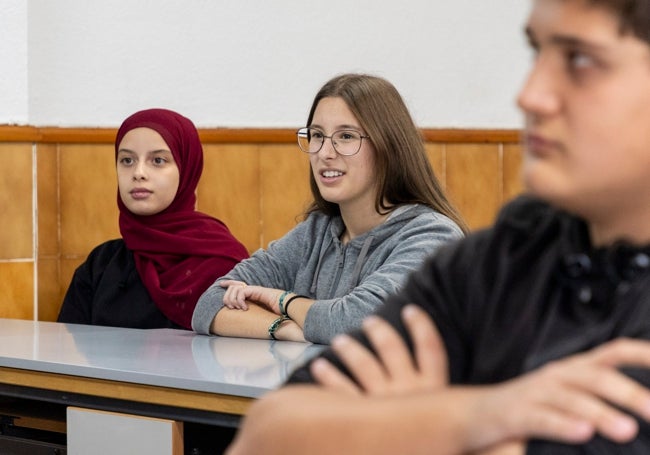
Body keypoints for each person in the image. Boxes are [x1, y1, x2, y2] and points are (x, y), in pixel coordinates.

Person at [227, 0, 650, 453]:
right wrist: (476, 416)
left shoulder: (430, 236)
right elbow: (270, 431)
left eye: (580, 60)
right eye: (536, 53)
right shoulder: (503, 256)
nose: (529, 94)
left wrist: (398, 425)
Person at [191, 73, 467, 344]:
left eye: (346, 136)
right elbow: (210, 304)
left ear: (389, 146)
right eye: (317, 135)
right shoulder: (317, 231)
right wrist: (285, 328)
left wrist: (283, 300)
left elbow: (355, 322)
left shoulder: (433, 236)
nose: (324, 152)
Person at [58, 108, 249, 330]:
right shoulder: (100, 264)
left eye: (158, 160)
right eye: (127, 160)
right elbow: (65, 355)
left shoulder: (223, 262)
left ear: (187, 169)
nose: (138, 173)